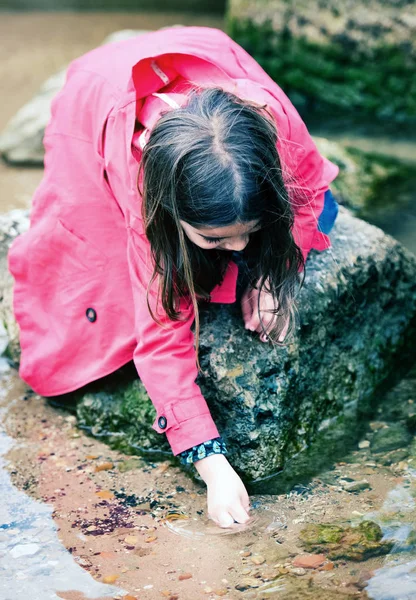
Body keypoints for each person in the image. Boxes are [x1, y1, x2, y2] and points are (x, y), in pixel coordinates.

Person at [8, 26, 339, 528]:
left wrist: (274, 275)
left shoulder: (272, 127)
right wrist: (212, 465)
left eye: (250, 232)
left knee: (324, 212)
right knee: (103, 277)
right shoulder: (146, 193)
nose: (240, 249)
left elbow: (307, 196)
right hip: (98, 98)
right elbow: (162, 333)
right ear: (168, 216)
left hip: (203, 55)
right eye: (216, 239)